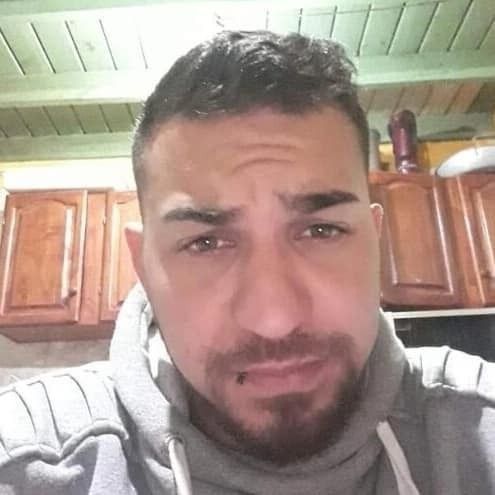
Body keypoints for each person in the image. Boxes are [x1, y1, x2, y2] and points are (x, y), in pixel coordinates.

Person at [1, 30, 494, 495]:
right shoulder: (29, 459)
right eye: (205, 243)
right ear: (144, 267)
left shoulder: (477, 424)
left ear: (375, 241)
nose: (274, 319)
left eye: (322, 231)